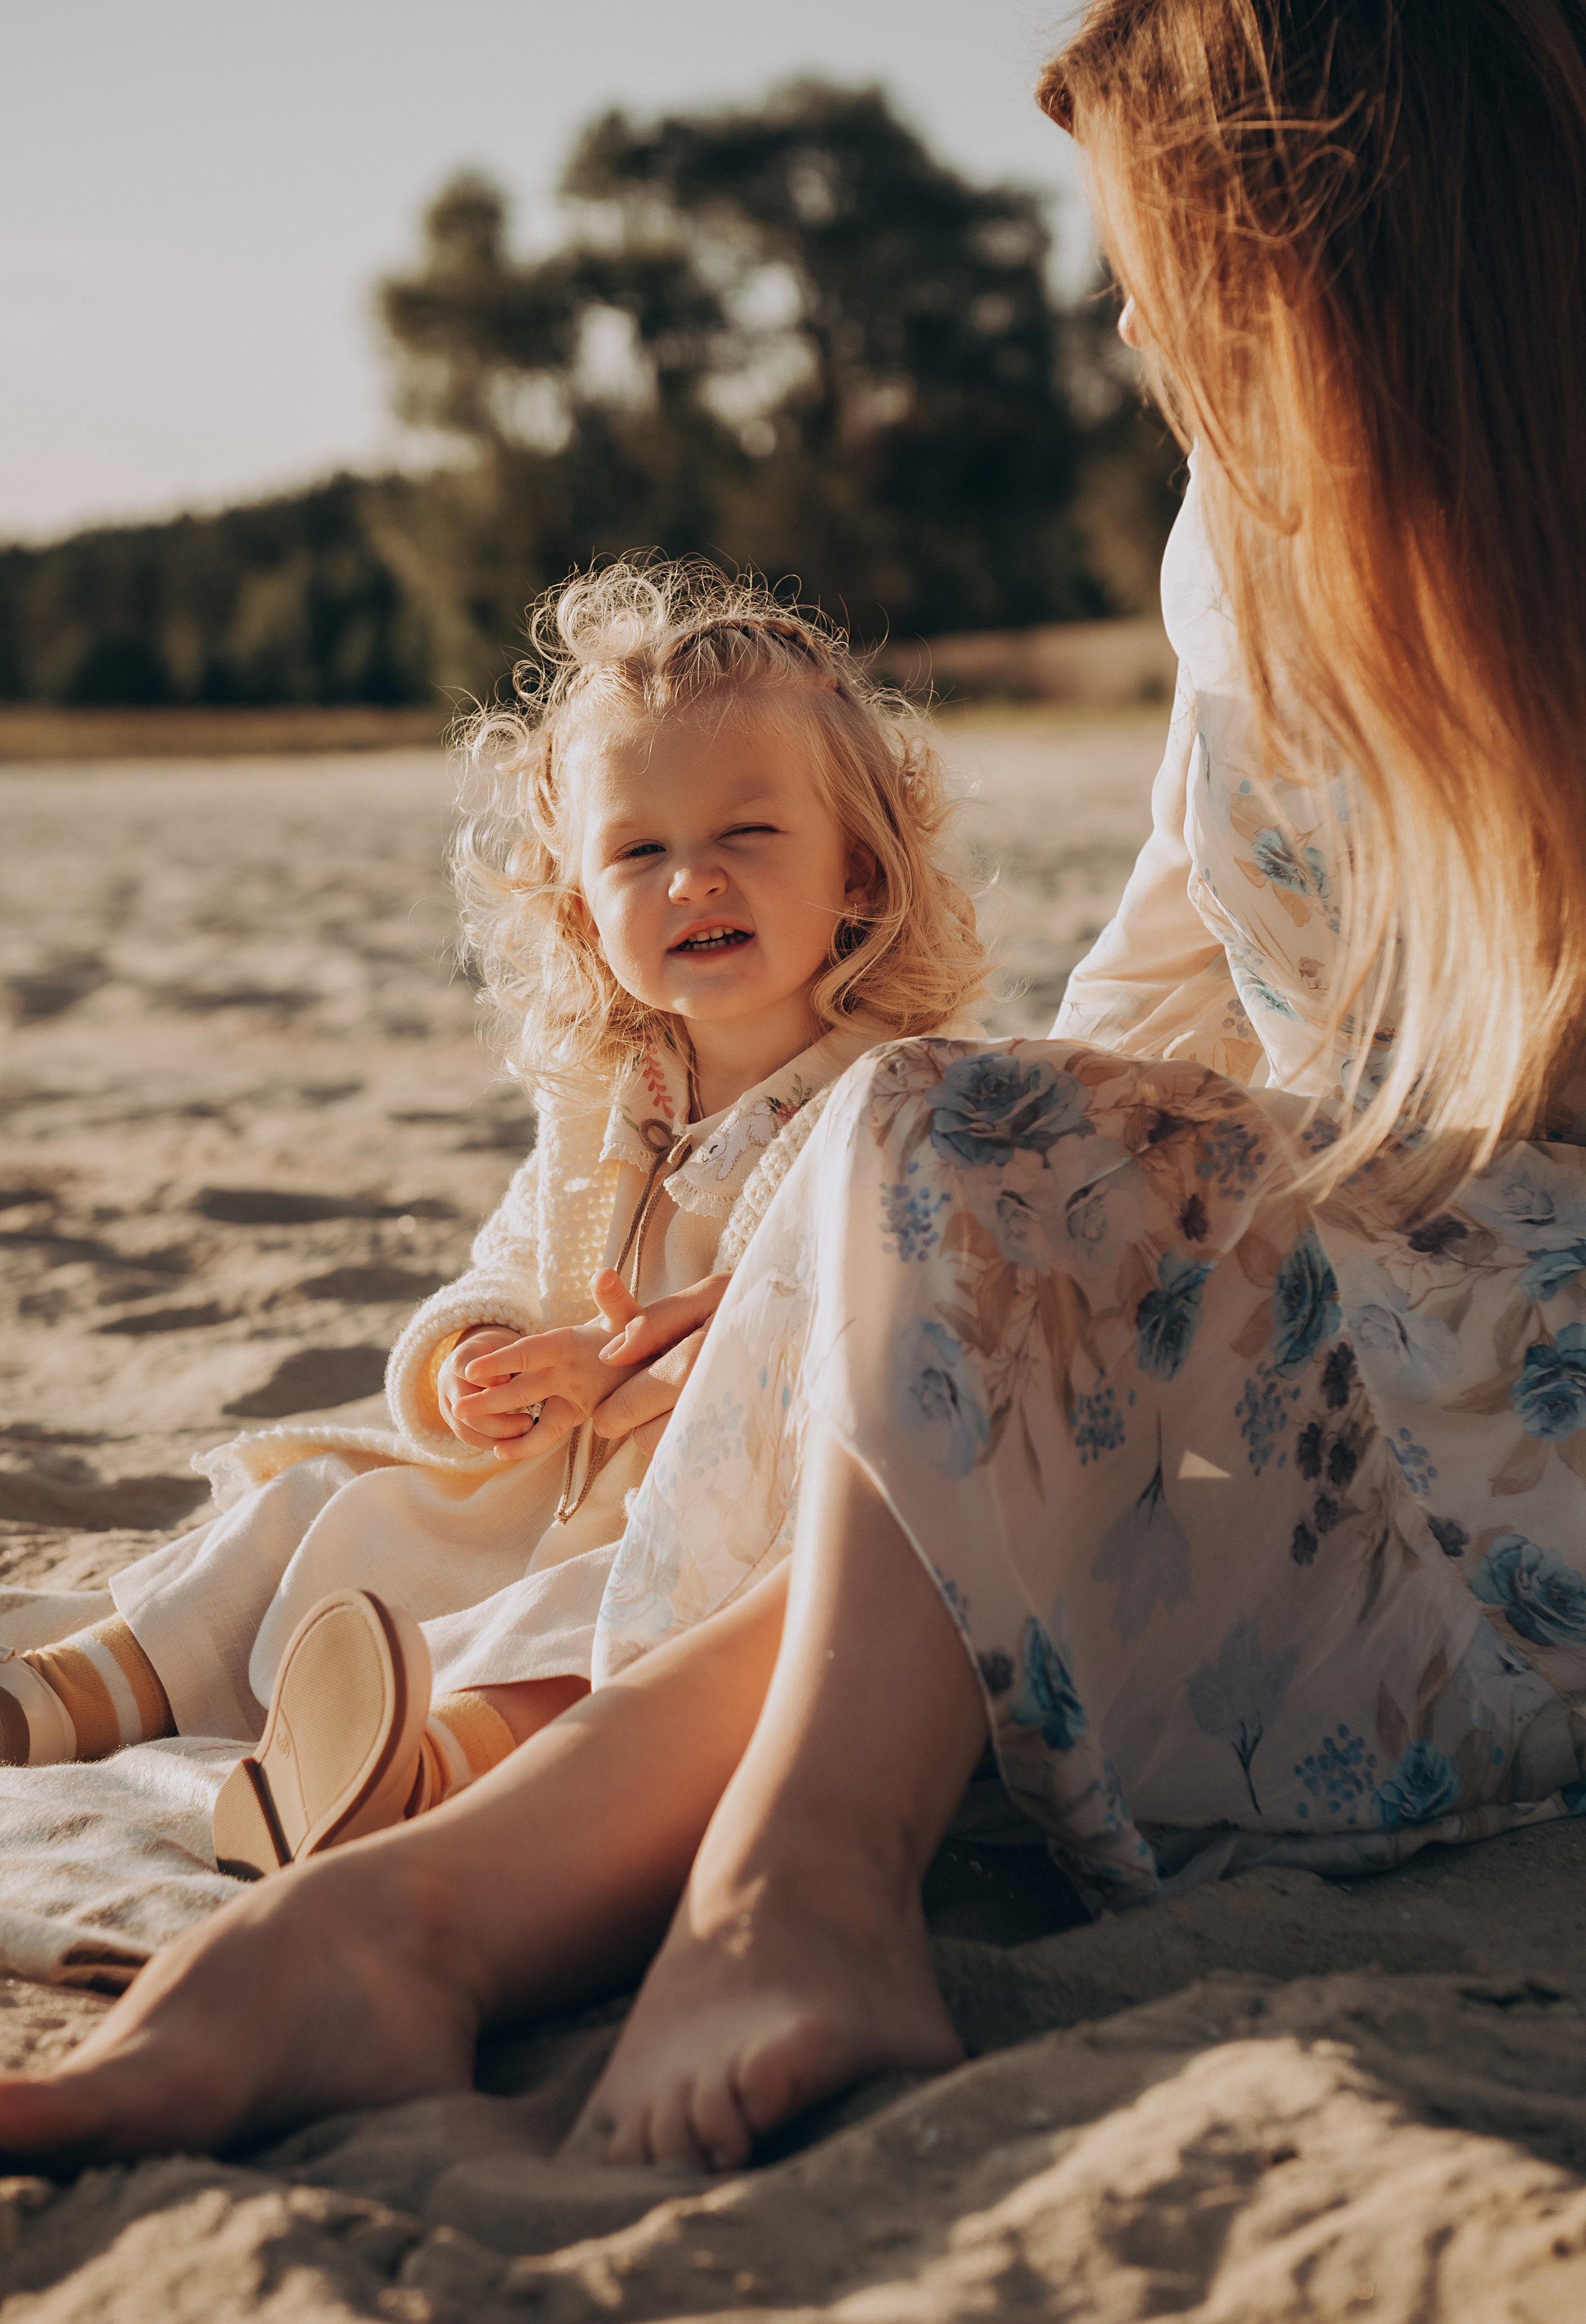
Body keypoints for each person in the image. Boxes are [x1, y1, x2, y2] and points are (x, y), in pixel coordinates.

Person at [5, 0, 1586, 2180]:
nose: (1127, 320)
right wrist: (881, 1265)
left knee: (946, 1145)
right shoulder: (1238, 552)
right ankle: (411, 1921)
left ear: (1332, 257)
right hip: (1328, 1317)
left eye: (1166, 266)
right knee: (933, 1123)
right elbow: (1133, 1016)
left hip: (1528, 1417)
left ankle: (747, 1886)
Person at [0, 563, 988, 1879]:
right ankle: (63, 1698)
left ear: (857, 869)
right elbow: (518, 1252)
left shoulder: (877, 1098)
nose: (692, 880)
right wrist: (475, 1354)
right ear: (582, 904)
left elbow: (819, 1339)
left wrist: (625, 1373)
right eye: (639, 851)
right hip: (541, 1480)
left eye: (746, 836)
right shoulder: (611, 1095)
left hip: (706, 1512)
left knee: (588, 1640)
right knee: (315, 1513)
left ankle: (408, 1773)